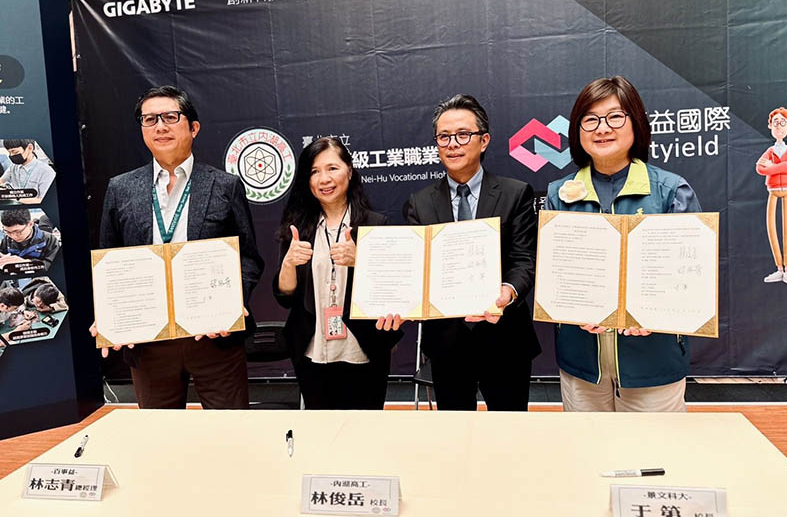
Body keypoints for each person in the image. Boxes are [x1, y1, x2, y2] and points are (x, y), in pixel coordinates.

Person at [91, 85, 264, 409]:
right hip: (148, 340)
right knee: (160, 433)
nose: (160, 126)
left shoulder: (224, 185)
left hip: (214, 336)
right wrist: (109, 315)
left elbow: (249, 259)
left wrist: (232, 303)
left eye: (170, 117)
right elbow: (109, 263)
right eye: (150, 119)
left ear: (193, 127)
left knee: (230, 430)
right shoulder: (121, 188)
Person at [546, 75, 701, 412]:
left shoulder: (671, 191)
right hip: (582, 362)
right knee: (586, 444)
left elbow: (691, 277)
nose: (602, 128)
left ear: (636, 123)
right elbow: (554, 276)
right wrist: (572, 309)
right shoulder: (559, 194)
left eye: (615, 117)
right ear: (577, 129)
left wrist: (657, 315)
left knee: (656, 446)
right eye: (590, 119)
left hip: (653, 360)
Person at [400, 94, 540, 411]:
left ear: (484, 140)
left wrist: (507, 292)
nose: (453, 144)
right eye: (444, 137)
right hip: (447, 343)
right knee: (455, 433)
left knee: (511, 431)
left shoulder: (515, 193)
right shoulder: (419, 203)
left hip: (505, 339)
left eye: (463, 135)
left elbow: (524, 260)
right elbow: (417, 270)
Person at [274, 137, 403, 409]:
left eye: (332, 168)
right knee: (322, 430)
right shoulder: (298, 227)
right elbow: (286, 297)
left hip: (364, 347)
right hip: (312, 349)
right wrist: (288, 264)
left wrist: (361, 261)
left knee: (365, 428)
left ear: (350, 171)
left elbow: (392, 288)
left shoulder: (375, 225)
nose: (324, 179)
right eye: (314, 171)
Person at [755, 107, 787, 285]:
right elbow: (760, 168)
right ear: (770, 126)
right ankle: (779, 268)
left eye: (782, 123)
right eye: (775, 123)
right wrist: (786, 166)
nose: (779, 126)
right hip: (772, 190)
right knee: (771, 227)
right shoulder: (770, 151)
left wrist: (773, 168)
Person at [0, 208, 61, 272]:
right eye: (7, 232)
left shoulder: (50, 240)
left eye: (17, 231)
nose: (13, 236)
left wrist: (26, 264)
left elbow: (55, 267)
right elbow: (3, 253)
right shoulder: (7, 239)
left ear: (30, 224)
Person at [0, 139, 56, 203]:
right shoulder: (13, 166)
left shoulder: (47, 172)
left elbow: (41, 200)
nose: (11, 155)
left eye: (15, 152)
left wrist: (12, 197)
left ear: (30, 148)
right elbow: (1, 180)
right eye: (9, 153)